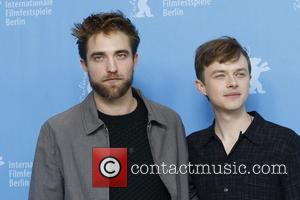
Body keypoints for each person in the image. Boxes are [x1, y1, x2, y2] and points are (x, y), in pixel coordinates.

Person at [29, 11, 188, 200]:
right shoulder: (57, 131)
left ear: (134, 60)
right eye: (99, 57)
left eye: (120, 55)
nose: (111, 68)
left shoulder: (169, 122)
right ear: (84, 65)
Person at [187, 36, 300, 200]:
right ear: (202, 86)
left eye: (240, 74)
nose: (232, 82)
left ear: (249, 80)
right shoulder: (192, 147)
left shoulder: (286, 143)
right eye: (220, 75)